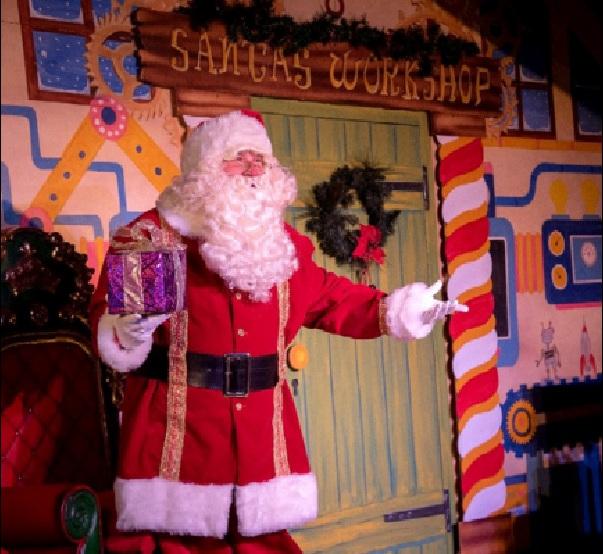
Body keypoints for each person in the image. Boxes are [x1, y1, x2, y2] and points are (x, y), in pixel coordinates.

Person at [90, 109, 467, 553]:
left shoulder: (280, 247)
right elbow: (111, 321)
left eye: (259, 159)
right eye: (238, 158)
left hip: (261, 442)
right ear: (203, 169)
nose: (252, 168)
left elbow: (332, 298)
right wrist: (125, 329)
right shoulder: (152, 236)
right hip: (176, 440)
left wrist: (398, 309)